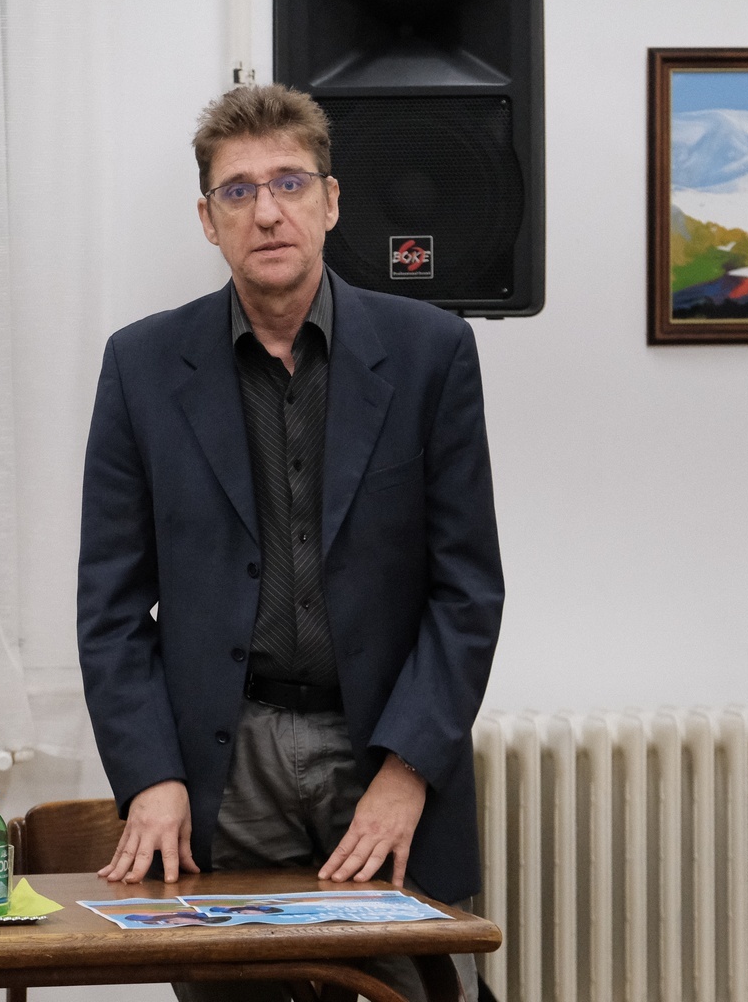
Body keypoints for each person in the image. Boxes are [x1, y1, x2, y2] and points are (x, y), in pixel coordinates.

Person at [77, 85, 502, 1001]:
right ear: (208, 219)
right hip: (223, 766)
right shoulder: (141, 367)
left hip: (382, 748)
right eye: (238, 191)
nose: (266, 211)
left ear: (331, 201)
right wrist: (152, 776)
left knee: (413, 992)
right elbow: (110, 608)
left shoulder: (431, 353)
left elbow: (467, 590)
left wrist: (408, 770)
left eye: (289, 183)